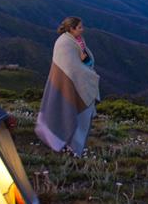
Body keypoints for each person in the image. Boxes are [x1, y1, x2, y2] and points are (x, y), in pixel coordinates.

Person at [34, 16, 100, 156]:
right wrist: (91, 75)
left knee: (83, 119)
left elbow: (83, 60)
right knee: (71, 115)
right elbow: (70, 68)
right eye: (80, 27)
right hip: (68, 85)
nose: (83, 29)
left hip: (79, 82)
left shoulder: (78, 41)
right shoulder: (64, 44)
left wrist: (87, 66)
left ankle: (76, 148)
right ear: (71, 29)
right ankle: (71, 148)